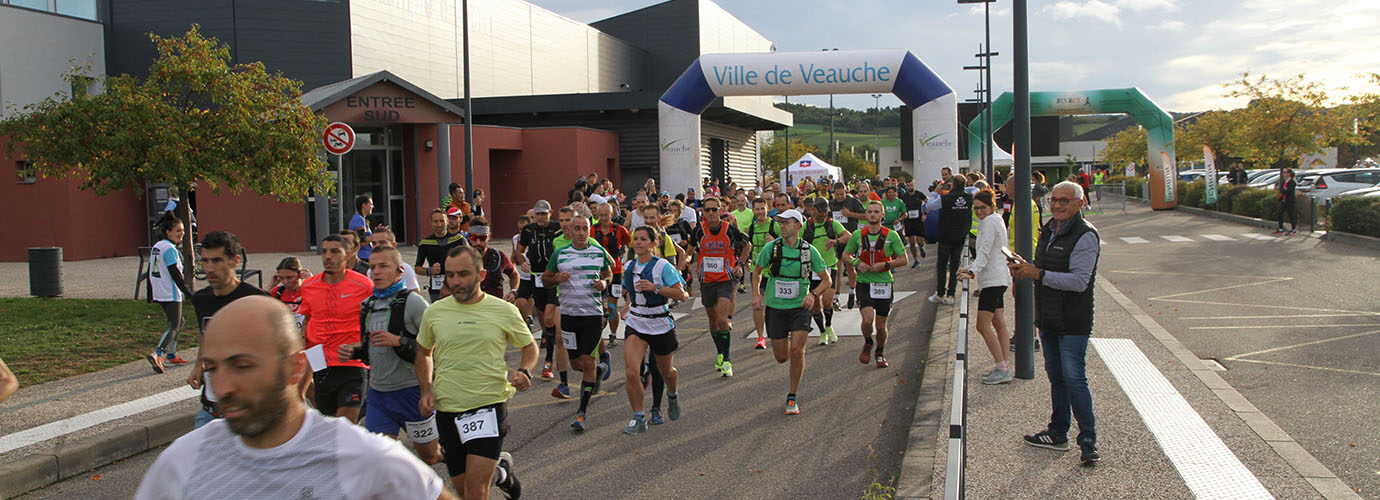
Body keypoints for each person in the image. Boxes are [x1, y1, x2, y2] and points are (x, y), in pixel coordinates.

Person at [136, 296, 450, 500]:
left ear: (295, 368)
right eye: (212, 368)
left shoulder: (364, 459)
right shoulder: (183, 462)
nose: (222, 387)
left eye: (242, 366)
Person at [1008, 181, 1101, 465]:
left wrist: (1039, 274)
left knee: (1075, 379)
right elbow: (1044, 267)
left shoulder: (1085, 235)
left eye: (1065, 201)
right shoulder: (1050, 229)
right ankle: (1057, 432)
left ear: (1079, 203)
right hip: (1048, 318)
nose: (1058, 205)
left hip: (1073, 320)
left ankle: (1088, 441)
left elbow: (1079, 281)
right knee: (1057, 378)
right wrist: (1025, 267)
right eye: (1054, 200)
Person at [337, 246, 444, 466]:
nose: (376, 272)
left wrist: (400, 341)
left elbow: (438, 346)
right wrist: (355, 351)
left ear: (399, 271)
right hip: (379, 395)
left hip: (411, 394)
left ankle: (488, 467)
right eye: (373, 267)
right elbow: (371, 351)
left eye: (383, 266)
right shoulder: (368, 306)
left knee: (431, 456)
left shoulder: (413, 303)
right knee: (377, 458)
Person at [186, 231, 270, 429]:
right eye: (205, 261)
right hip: (211, 411)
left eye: (217, 260)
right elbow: (206, 335)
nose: (209, 268)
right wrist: (198, 366)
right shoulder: (201, 300)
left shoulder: (257, 301)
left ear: (235, 261)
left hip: (250, 412)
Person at [752, 209, 830, 415]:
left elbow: (826, 279)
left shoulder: (809, 251)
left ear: (798, 226)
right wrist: (756, 295)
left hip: (800, 307)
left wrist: (813, 294)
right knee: (781, 357)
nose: (781, 226)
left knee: (797, 350)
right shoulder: (772, 248)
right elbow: (757, 272)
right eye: (780, 223)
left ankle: (792, 395)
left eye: (786, 223)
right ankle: (783, 341)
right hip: (776, 307)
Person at [543, 212, 615, 431]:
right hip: (569, 315)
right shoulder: (561, 254)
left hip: (592, 315)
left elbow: (609, 272)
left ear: (589, 230)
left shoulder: (598, 251)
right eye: (578, 229)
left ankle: (581, 413)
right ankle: (602, 369)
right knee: (576, 364)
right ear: (570, 231)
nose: (582, 232)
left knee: (587, 362)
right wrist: (556, 278)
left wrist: (604, 283)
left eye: (585, 228)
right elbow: (545, 279)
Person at [618, 226, 690, 434]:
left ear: (653, 243)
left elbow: (682, 295)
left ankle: (673, 395)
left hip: (659, 323)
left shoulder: (662, 266)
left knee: (667, 371)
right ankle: (639, 417)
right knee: (632, 372)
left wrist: (656, 288)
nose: (638, 242)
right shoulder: (629, 266)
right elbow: (630, 290)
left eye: (643, 239)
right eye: (635, 239)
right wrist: (627, 303)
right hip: (637, 321)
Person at [298, 234, 373, 423]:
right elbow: (308, 320)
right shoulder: (308, 286)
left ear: (348, 254)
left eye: (334, 251)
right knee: (328, 425)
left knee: (345, 426)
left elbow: (375, 321)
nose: (328, 256)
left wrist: (364, 347)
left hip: (352, 364)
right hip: (321, 364)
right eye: (324, 251)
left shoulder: (363, 285)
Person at [686, 196, 752, 377]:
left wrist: (739, 264)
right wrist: (686, 261)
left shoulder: (729, 230)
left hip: (726, 278)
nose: (711, 213)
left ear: (720, 211)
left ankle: (728, 359)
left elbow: (747, 245)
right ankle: (720, 353)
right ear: (703, 213)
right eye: (707, 210)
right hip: (707, 280)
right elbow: (689, 251)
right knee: (713, 321)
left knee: (723, 320)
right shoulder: (699, 231)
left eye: (714, 210)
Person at [958, 190, 1014, 384]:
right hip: (998, 278)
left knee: (982, 325)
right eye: (976, 208)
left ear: (991, 206)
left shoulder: (990, 222)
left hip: (993, 280)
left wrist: (971, 271)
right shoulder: (995, 219)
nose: (979, 211)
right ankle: (1004, 364)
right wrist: (971, 268)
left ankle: (1002, 367)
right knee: (998, 323)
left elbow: (984, 251)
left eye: (983, 207)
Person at [844, 201, 908, 368]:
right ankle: (867, 341)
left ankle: (880, 351)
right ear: (866, 215)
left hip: (884, 284)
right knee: (867, 320)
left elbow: (904, 259)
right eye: (869, 212)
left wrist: (886, 265)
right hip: (864, 283)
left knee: (880, 326)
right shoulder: (858, 235)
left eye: (876, 212)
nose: (872, 214)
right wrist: (856, 262)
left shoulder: (891, 235)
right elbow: (845, 255)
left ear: (882, 215)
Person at [515, 200, 571, 390]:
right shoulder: (528, 230)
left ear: (550, 213)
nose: (540, 217)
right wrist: (522, 260)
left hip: (553, 278)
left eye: (544, 214)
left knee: (550, 317)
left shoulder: (557, 228)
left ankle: (548, 359)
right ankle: (549, 344)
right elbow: (519, 251)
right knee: (543, 319)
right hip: (536, 278)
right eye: (538, 214)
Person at [147, 215, 194, 374]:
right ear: (168, 232)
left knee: (179, 321)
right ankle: (158, 353)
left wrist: (150, 293)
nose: (181, 233)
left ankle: (171, 355)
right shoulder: (170, 250)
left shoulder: (157, 246)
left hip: (159, 290)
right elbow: (176, 275)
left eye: (182, 230)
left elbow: (150, 270)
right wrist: (189, 293)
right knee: (174, 324)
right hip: (170, 292)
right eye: (178, 231)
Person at [802, 198, 850, 345]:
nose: (823, 215)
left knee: (827, 301)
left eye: (825, 212)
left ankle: (829, 326)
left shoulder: (831, 223)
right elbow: (796, 242)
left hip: (830, 266)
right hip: (812, 269)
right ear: (813, 210)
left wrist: (835, 241)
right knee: (815, 305)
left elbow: (848, 235)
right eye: (820, 212)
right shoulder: (806, 226)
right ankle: (822, 331)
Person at [925, 175, 972, 305]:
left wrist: (935, 192)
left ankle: (940, 293)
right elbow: (976, 189)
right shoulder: (969, 197)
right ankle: (951, 295)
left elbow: (929, 206)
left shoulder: (945, 198)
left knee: (941, 266)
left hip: (946, 236)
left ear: (952, 185)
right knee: (955, 265)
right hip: (960, 236)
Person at [592, 203, 632, 347]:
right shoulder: (592, 230)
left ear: (611, 214)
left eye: (606, 215)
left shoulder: (620, 230)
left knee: (612, 305)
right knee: (600, 306)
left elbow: (630, 245)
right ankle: (598, 332)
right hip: (597, 272)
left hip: (615, 272)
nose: (603, 218)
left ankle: (613, 334)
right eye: (601, 215)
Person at [745, 197, 779, 350]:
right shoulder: (752, 227)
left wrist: (775, 240)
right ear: (753, 210)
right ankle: (760, 337)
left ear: (768, 208)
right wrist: (746, 260)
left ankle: (780, 332)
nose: (759, 212)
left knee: (775, 305)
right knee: (757, 304)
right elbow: (749, 247)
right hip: (757, 271)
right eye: (756, 209)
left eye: (762, 208)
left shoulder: (775, 225)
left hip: (773, 272)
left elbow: (788, 242)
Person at [829, 182, 867, 308]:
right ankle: (837, 296)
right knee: (837, 269)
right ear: (834, 193)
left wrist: (850, 214)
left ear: (846, 192)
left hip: (851, 239)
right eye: (837, 194)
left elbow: (865, 216)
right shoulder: (832, 204)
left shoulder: (853, 202)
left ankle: (852, 291)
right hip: (837, 240)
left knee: (850, 267)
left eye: (842, 194)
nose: (840, 197)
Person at [468, 217, 518, 300]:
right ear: (469, 237)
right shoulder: (461, 259)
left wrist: (513, 291)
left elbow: (514, 275)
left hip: (495, 308)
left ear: (489, 236)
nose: (478, 242)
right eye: (474, 238)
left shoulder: (499, 257)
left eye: (482, 238)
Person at [366, 228, 421, 294]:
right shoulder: (370, 271)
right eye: (374, 243)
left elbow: (415, 294)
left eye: (382, 242)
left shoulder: (405, 269)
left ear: (393, 245)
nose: (377, 246)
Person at [417, 208, 455, 302]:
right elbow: (417, 268)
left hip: (456, 286)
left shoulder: (458, 240)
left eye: (442, 221)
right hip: (436, 289)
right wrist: (429, 271)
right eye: (436, 221)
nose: (439, 224)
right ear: (431, 223)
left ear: (447, 221)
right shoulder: (425, 243)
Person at [269, 257, 309, 331]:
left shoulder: (308, 291)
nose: (285, 282)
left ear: (299, 275)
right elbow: (259, 307)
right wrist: (271, 285)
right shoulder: (278, 292)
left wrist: (313, 283)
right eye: (281, 278)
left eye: (289, 277)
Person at [901, 182, 928, 266]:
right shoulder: (904, 196)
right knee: (911, 242)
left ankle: (921, 247)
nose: (910, 187)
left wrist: (925, 214)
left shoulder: (919, 194)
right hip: (909, 221)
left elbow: (928, 203)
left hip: (918, 220)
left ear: (914, 185)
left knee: (919, 241)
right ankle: (916, 260)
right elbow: (901, 207)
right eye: (908, 186)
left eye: (911, 185)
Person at [350, 194, 377, 264]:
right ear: (363, 205)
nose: (372, 206)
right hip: (363, 257)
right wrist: (377, 234)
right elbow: (362, 242)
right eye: (371, 204)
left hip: (366, 256)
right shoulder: (359, 219)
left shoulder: (361, 219)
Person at [1274, 168, 1298, 235]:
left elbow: (1288, 191)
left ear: (1289, 173)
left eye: (1285, 172)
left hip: (1290, 201)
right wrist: (1283, 190)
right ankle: (1280, 228)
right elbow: (1281, 189)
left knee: (1291, 215)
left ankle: (1293, 229)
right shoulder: (1284, 181)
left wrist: (1284, 190)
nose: (1284, 174)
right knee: (1280, 213)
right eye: (1284, 172)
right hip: (1283, 200)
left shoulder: (1292, 182)